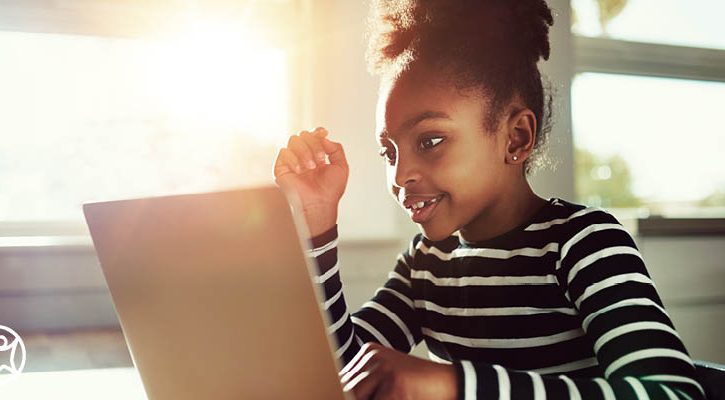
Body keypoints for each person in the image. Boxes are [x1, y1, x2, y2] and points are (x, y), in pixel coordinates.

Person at [272, 1, 705, 399]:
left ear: (515, 138)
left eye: (431, 140)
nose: (400, 175)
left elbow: (675, 394)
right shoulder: (425, 265)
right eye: (390, 152)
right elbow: (339, 372)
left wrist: (457, 385)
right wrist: (315, 225)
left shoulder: (583, 244)